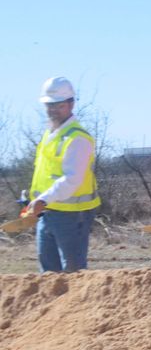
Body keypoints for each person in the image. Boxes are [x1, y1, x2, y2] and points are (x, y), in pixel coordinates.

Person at [28, 77, 101, 273]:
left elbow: (72, 179)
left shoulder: (77, 138)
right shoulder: (51, 134)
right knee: (49, 273)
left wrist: (44, 198)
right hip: (47, 211)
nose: (52, 110)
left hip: (72, 214)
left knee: (72, 272)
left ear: (70, 104)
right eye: (49, 105)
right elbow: (45, 171)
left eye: (58, 105)